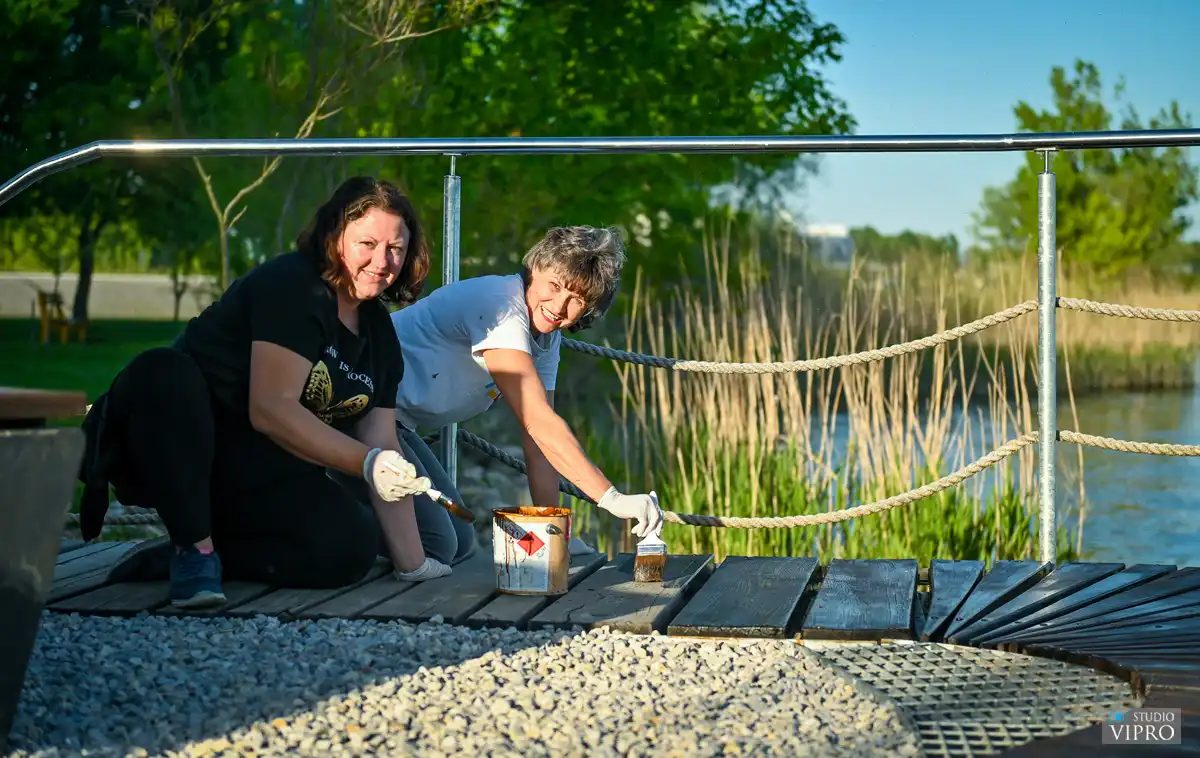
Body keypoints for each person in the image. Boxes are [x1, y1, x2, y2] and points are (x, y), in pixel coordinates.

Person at [77, 177, 450, 610]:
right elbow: (271, 408)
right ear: (335, 238)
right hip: (176, 448)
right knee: (163, 370)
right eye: (368, 242)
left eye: (396, 249)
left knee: (351, 547)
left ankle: (210, 554)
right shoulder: (295, 286)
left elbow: (382, 441)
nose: (382, 260)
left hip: (260, 468)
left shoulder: (379, 335)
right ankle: (193, 552)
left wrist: (412, 564)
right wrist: (367, 463)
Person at [388, 225, 664, 561]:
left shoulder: (545, 337)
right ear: (534, 269)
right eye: (555, 286)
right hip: (364, 408)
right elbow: (537, 420)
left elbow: (538, 443)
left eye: (577, 299)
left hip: (399, 422)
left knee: (459, 540)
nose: (559, 306)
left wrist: (555, 532)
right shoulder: (500, 305)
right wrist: (612, 498)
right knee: (438, 543)